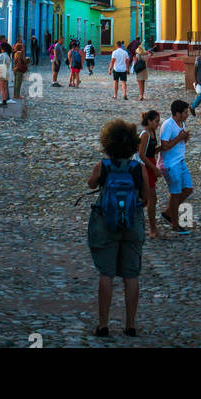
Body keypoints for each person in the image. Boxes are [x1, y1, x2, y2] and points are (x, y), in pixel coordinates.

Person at [86, 118, 147, 338]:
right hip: (132, 222)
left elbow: (91, 184)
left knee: (106, 274)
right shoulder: (137, 169)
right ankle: (130, 325)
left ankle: (103, 325)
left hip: (106, 222)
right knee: (131, 275)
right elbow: (146, 198)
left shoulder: (103, 166)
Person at [160, 99, 193, 234]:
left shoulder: (182, 123)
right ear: (177, 113)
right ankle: (175, 224)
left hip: (180, 161)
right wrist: (180, 138)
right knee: (175, 193)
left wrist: (184, 138)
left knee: (188, 189)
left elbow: (180, 140)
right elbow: (165, 146)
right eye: (185, 112)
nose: (187, 115)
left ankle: (169, 212)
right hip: (170, 164)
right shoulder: (168, 125)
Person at [137, 110, 162, 238]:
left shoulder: (152, 132)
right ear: (149, 121)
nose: (158, 124)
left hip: (149, 164)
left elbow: (150, 151)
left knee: (147, 199)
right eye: (156, 121)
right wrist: (154, 168)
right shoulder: (145, 134)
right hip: (145, 167)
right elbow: (141, 154)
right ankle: (152, 229)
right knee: (151, 198)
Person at [0, 40, 13, 105]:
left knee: (1, 87)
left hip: (1, 72)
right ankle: (5, 100)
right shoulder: (8, 55)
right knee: (5, 87)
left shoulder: (2, 55)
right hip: (6, 72)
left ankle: (4, 101)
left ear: (3, 49)